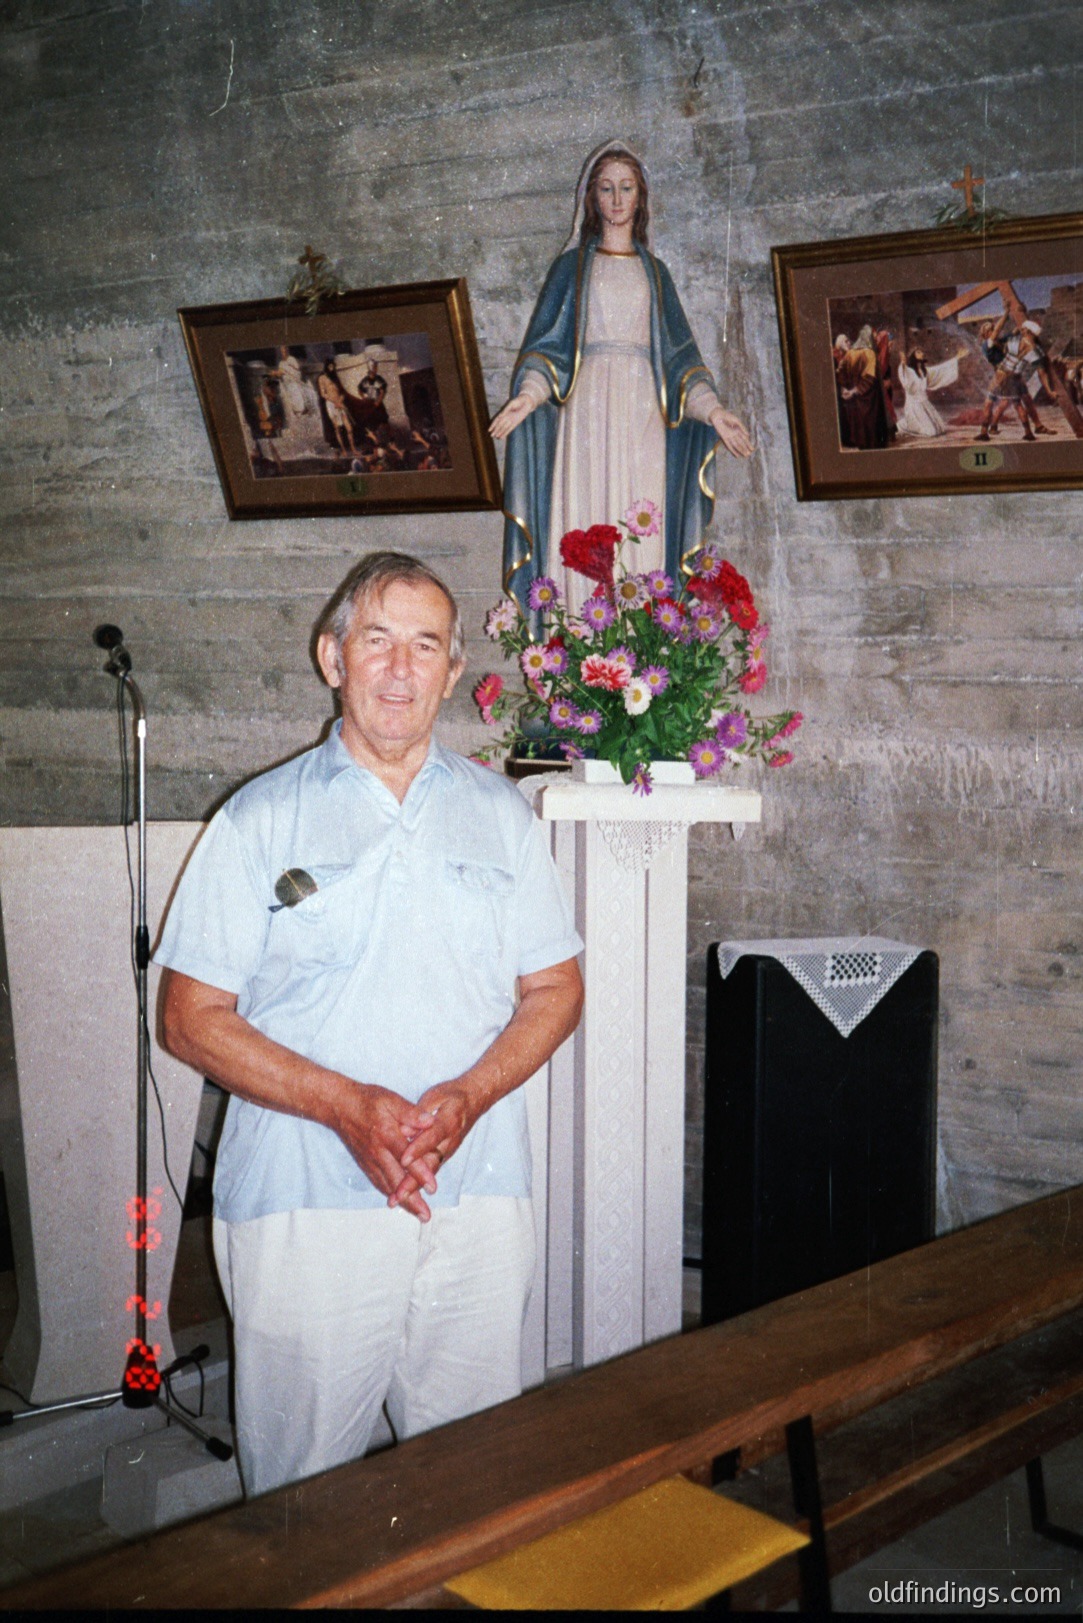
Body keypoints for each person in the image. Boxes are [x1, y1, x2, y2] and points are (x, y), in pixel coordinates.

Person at [155, 552, 584, 1498]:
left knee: (473, 1489)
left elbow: (555, 988)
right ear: (332, 656)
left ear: (451, 668)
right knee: (303, 1499)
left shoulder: (500, 815)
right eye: (377, 639)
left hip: (475, 1195)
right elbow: (188, 1020)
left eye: (424, 645)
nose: (399, 667)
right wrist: (346, 1106)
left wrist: (471, 1095)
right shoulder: (258, 820)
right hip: (305, 1203)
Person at [490, 140, 753, 619]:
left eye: (625, 188)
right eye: (606, 188)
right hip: (586, 413)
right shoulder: (570, 270)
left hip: (641, 417)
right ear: (591, 197)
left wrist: (714, 411)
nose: (616, 199)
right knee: (583, 516)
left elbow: (679, 362)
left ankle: (638, 652)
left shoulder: (656, 275)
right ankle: (577, 649)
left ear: (640, 197)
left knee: (640, 521)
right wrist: (527, 398)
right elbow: (549, 350)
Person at [895, 345, 968, 439]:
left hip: (924, 402)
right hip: (913, 405)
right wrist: (903, 364)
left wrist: (957, 358)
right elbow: (905, 379)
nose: (921, 354)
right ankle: (903, 424)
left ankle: (909, 423)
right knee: (930, 432)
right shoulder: (908, 371)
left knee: (940, 429)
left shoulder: (924, 371)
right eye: (918, 352)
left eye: (921, 352)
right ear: (913, 356)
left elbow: (940, 369)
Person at [317, 357, 359, 457]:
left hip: (340, 403)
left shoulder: (335, 377)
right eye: (330, 366)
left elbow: (342, 392)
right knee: (337, 428)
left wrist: (340, 400)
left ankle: (353, 449)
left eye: (333, 366)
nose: (331, 368)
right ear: (326, 366)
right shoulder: (322, 378)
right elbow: (323, 394)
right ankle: (343, 450)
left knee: (349, 428)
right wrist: (334, 402)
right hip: (331, 405)